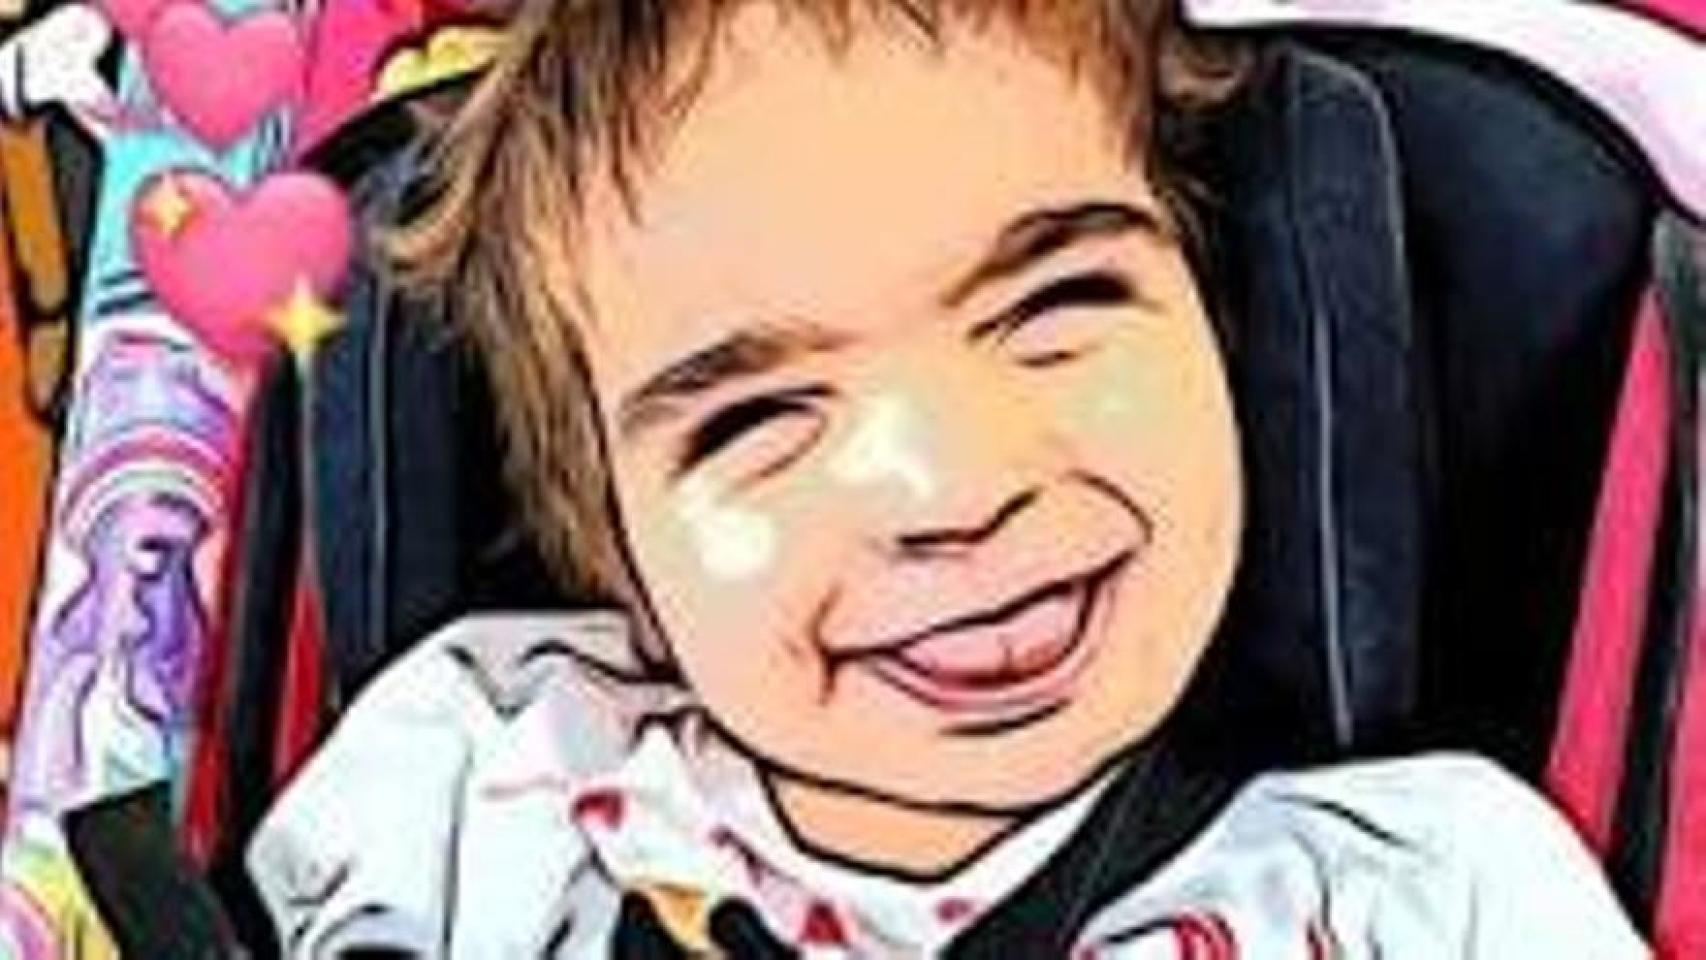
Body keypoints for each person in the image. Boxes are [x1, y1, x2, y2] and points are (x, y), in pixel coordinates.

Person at [245, 0, 1648, 955]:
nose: (947, 488)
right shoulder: (472, 781)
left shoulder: (1426, 896)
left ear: (1219, 328)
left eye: (1053, 307)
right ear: (618, 554)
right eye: (756, 422)